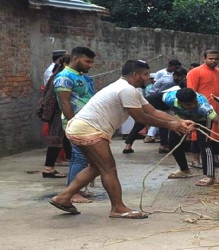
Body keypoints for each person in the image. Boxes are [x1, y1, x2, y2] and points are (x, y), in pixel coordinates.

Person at [49, 60, 193, 217]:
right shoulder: (126, 90)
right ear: (135, 75)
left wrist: (178, 121)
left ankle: (64, 197)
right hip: (89, 130)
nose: (148, 78)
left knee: (97, 167)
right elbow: (141, 118)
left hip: (82, 128)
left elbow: (152, 111)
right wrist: (170, 126)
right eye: (145, 74)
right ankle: (118, 208)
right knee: (108, 168)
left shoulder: (129, 90)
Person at [54, 46, 96, 203]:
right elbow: (65, 103)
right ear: (75, 58)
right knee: (79, 156)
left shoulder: (79, 75)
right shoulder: (64, 77)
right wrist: (73, 123)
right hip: (77, 122)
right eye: (87, 61)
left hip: (86, 121)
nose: (90, 65)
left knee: (80, 157)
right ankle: (73, 193)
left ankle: (74, 189)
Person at [123, 69, 187, 154]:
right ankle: (163, 146)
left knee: (139, 125)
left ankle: (128, 146)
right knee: (163, 124)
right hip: (153, 104)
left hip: (154, 103)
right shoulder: (177, 92)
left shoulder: (175, 89)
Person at [187, 49, 219, 169]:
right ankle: (195, 160)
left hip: (216, 109)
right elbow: (191, 92)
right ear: (204, 58)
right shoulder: (195, 72)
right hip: (200, 109)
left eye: (216, 59)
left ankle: (216, 160)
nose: (213, 61)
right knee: (198, 135)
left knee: (216, 135)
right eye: (210, 58)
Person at [41, 54, 72, 178]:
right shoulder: (60, 78)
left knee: (64, 139)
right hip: (58, 113)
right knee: (56, 139)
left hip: (58, 113)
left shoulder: (57, 76)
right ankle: (48, 168)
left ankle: (65, 161)